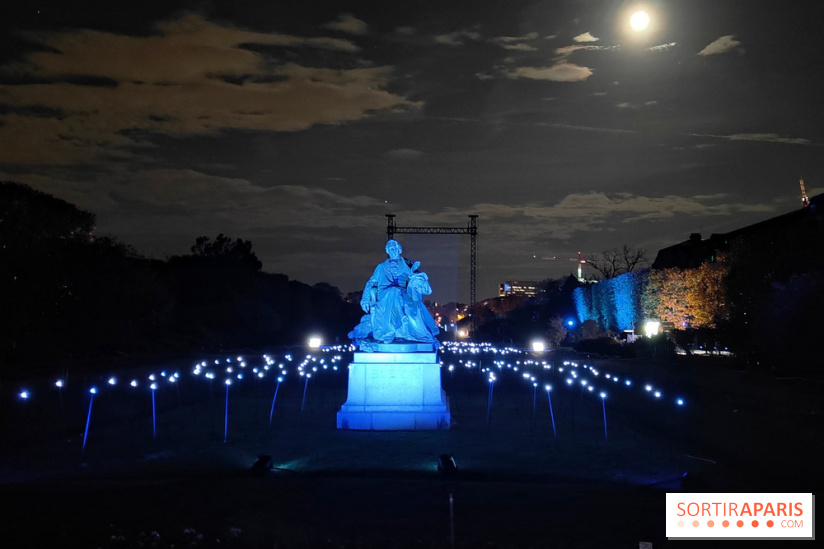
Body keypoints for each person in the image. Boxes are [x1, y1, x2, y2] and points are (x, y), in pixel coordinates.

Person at [349, 239, 439, 347]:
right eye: (390, 249)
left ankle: (403, 327)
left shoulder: (407, 264)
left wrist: (418, 279)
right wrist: (365, 299)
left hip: (405, 294)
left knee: (401, 296)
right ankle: (396, 325)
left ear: (399, 249)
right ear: (387, 251)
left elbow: (418, 277)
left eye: (395, 248)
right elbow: (371, 282)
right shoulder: (381, 267)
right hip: (384, 295)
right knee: (394, 291)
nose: (393, 251)